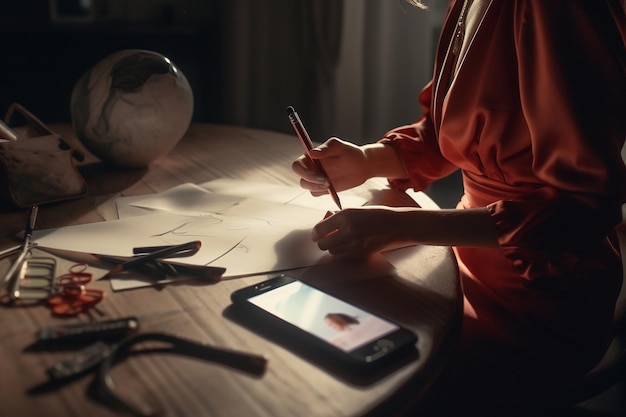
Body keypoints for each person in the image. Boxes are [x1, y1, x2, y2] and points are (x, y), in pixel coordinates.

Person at [292, 0, 626, 414]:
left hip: (538, 299)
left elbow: (580, 208)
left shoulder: (556, 10)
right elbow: (448, 130)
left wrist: (405, 227)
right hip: (466, 264)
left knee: (350, 372)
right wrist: (366, 160)